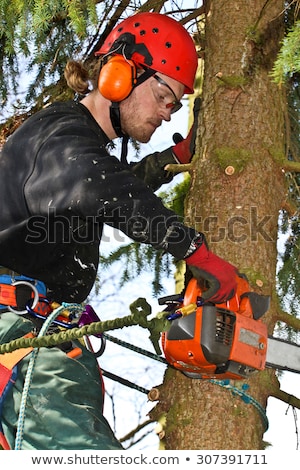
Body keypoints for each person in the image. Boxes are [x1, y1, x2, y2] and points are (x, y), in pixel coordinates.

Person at [0, 12, 238, 450]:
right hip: (22, 338)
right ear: (120, 73)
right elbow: (102, 188)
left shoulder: (72, 147)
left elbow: (110, 181)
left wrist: (174, 156)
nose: (168, 113)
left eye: (177, 104)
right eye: (164, 95)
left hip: (39, 335)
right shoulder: (61, 133)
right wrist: (198, 253)